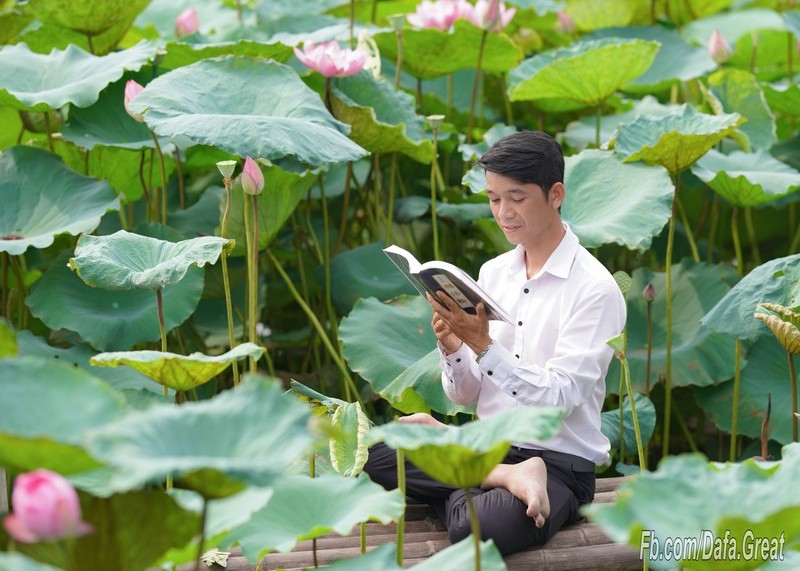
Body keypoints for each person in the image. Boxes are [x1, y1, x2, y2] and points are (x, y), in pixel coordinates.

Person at [363, 131, 626, 556]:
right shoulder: (494, 273)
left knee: (478, 526)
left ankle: (469, 476)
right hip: (489, 447)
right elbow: (467, 395)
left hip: (558, 465)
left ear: (555, 194)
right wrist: (454, 348)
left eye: (516, 198)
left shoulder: (595, 289)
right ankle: (502, 476)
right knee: (378, 453)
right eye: (493, 199)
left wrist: (484, 348)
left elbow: (559, 398)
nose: (503, 213)